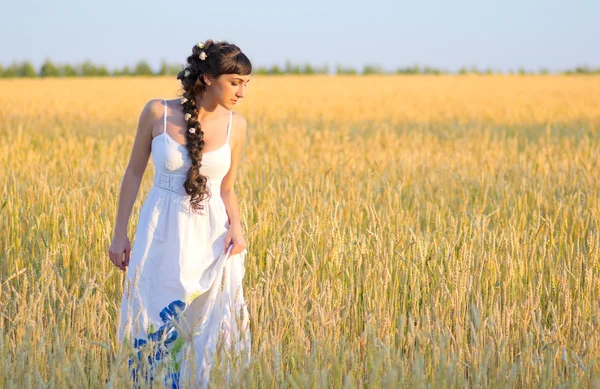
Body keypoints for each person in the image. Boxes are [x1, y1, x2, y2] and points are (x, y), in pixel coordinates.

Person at [108, 39, 252, 388]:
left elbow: (227, 188)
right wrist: (119, 232)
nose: (242, 92)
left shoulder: (237, 126)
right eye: (235, 82)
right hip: (160, 231)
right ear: (206, 78)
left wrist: (237, 228)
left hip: (212, 237)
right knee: (151, 316)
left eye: (246, 84)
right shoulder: (157, 112)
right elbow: (133, 173)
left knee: (208, 328)